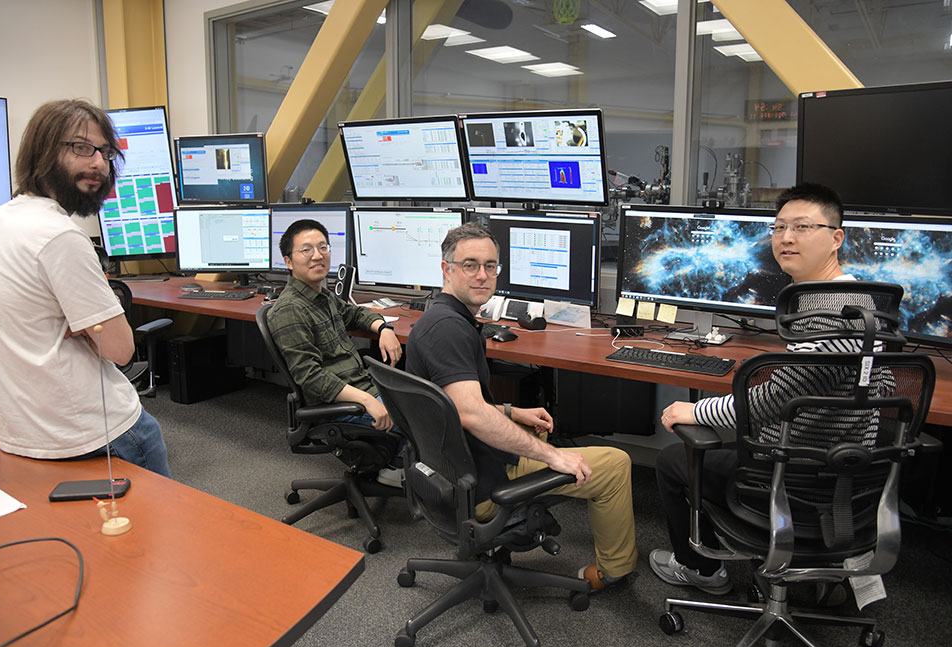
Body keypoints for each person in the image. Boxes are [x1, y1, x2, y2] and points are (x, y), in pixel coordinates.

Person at [650, 182, 883, 594]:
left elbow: (777, 398)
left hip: (794, 476)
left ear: (836, 238)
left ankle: (700, 569)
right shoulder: (856, 300)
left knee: (673, 459)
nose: (786, 238)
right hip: (837, 468)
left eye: (802, 227)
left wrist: (693, 411)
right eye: (778, 228)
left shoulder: (833, 311)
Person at [406, 222, 637, 590]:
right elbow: (469, 412)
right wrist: (552, 457)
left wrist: (513, 413)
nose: (482, 276)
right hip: (479, 479)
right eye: (470, 265)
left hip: (451, 466)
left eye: (491, 266)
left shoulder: (442, 318)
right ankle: (614, 572)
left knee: (532, 428)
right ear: (446, 268)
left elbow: (452, 405)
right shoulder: (448, 330)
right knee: (616, 465)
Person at [0, 99, 170, 476]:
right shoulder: (59, 236)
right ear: (42, 152)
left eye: (106, 152)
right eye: (81, 147)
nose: (98, 164)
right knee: (156, 529)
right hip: (96, 429)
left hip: (25, 430)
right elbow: (121, 350)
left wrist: (78, 326)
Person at [267, 218, 402, 433]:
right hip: (342, 406)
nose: (318, 255)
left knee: (436, 410)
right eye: (306, 250)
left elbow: (354, 313)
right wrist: (366, 400)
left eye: (323, 247)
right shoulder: (290, 309)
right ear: (289, 261)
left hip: (365, 388)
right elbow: (310, 377)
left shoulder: (321, 296)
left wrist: (384, 328)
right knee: (428, 429)